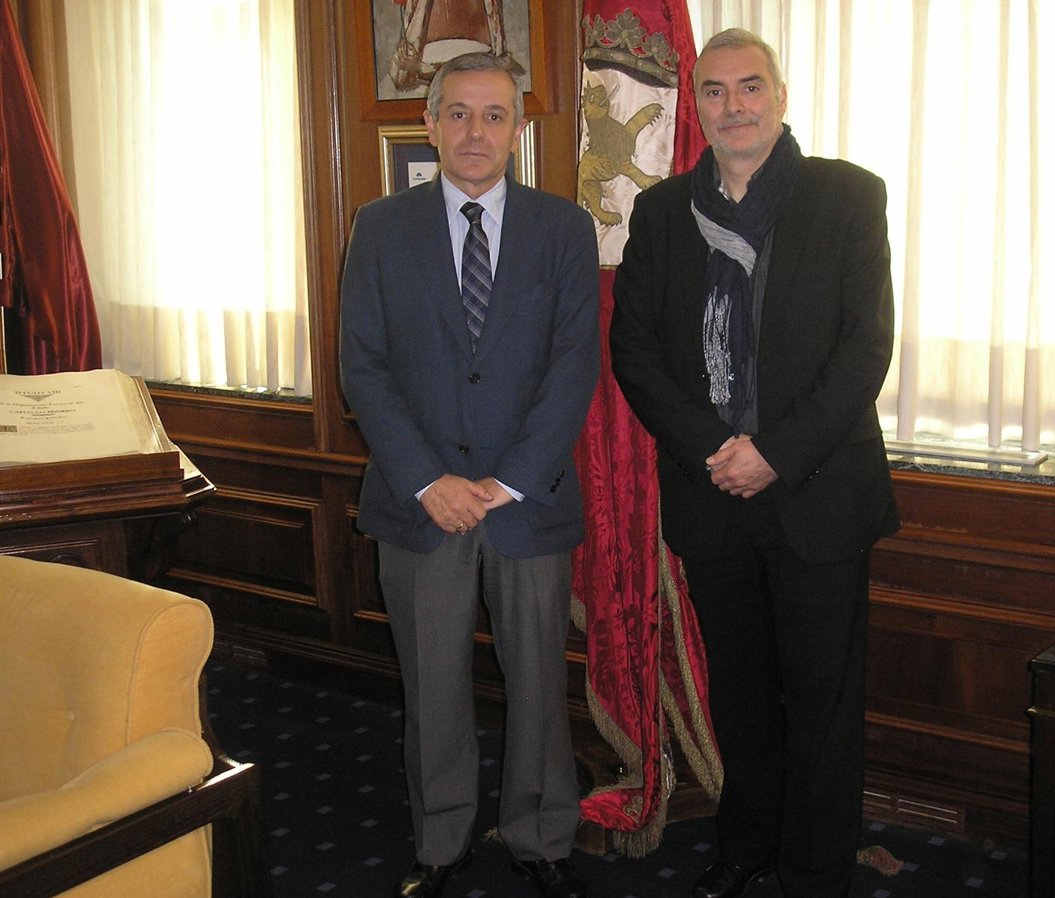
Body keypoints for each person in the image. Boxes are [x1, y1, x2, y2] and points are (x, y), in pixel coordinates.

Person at [609, 28, 899, 898]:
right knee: (739, 691)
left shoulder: (848, 197)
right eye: (715, 91)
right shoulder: (663, 213)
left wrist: (773, 453)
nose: (733, 106)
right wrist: (716, 451)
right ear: (696, 107)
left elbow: (865, 349)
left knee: (822, 700)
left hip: (819, 492)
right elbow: (635, 352)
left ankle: (815, 870)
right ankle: (747, 848)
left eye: (750, 87)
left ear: (780, 97)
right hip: (713, 494)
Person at [340, 51, 598, 898]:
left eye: (493, 115)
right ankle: (440, 842)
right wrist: (430, 481)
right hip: (420, 506)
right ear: (431, 123)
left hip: (528, 503)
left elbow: (573, 366)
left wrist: (508, 481)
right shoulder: (380, 227)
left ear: (517, 130)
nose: (475, 131)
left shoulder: (564, 229)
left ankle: (542, 836)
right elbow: (363, 368)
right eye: (458, 113)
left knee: (538, 683)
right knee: (432, 686)